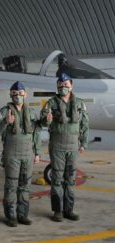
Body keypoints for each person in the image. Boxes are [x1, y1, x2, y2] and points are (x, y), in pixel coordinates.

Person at [40, 73, 89, 222]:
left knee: (70, 179)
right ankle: (57, 211)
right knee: (57, 179)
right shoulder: (50, 104)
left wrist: (83, 144)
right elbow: (42, 123)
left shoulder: (80, 104)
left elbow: (85, 125)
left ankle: (69, 210)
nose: (63, 87)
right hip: (57, 146)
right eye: (60, 85)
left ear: (71, 86)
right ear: (57, 86)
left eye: (66, 85)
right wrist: (46, 120)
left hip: (73, 146)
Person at [0, 81, 41, 227]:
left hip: (27, 154)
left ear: (25, 94)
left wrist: (37, 152)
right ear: (10, 95)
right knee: (11, 186)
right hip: (11, 154)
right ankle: (10, 216)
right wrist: (6, 122)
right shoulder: (4, 111)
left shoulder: (31, 112)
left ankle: (22, 215)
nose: (17, 96)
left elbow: (36, 134)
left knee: (25, 185)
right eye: (14, 94)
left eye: (20, 93)